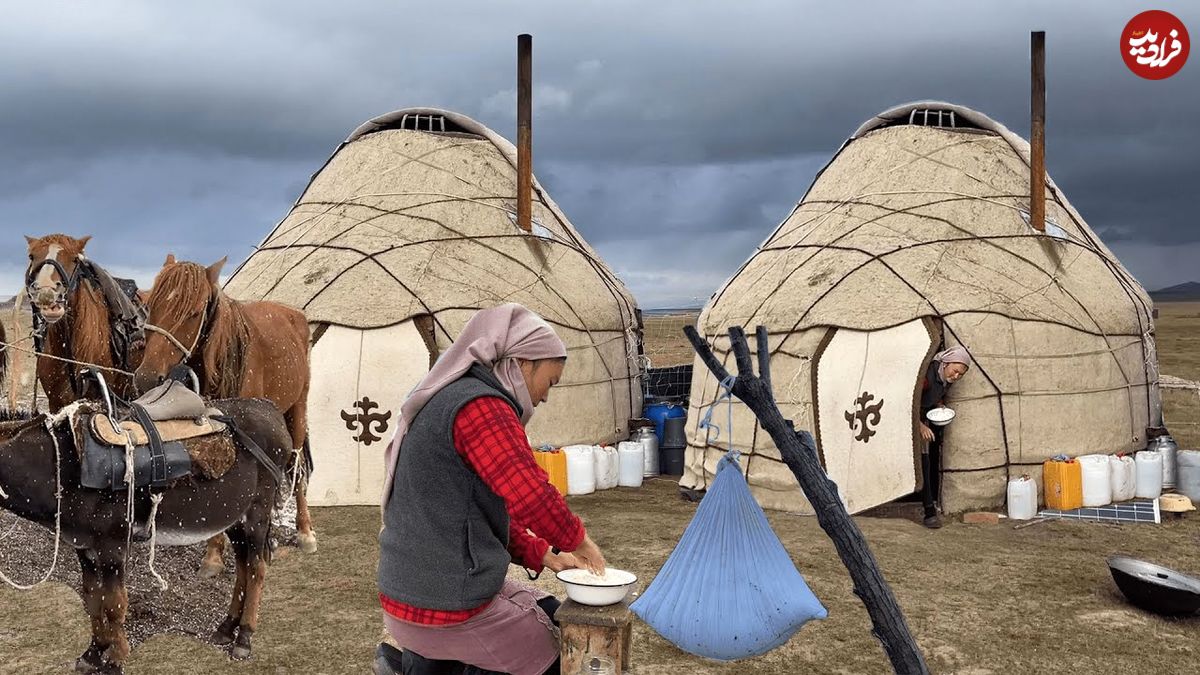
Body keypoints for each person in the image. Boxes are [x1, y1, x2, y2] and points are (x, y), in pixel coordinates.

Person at [374, 303, 607, 675]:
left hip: (410, 593)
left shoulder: (452, 397)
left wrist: (543, 554)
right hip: (444, 606)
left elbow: (474, 511)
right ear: (523, 362)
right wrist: (580, 542)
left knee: (547, 607)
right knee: (557, 651)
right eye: (550, 381)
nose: (546, 396)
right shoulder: (480, 406)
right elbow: (529, 493)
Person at [917, 345, 971, 529]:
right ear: (945, 363)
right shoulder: (926, 377)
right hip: (907, 419)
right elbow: (906, 399)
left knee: (925, 460)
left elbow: (934, 397)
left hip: (922, 417)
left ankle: (929, 512)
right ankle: (929, 511)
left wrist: (939, 406)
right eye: (955, 371)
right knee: (922, 462)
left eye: (960, 375)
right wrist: (919, 425)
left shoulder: (944, 379)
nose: (956, 376)